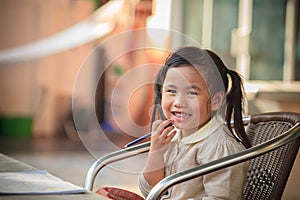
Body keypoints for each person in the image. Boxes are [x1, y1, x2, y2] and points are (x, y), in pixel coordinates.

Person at [138, 46, 251, 199]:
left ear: (216, 100)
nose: (178, 102)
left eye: (191, 93)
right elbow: (150, 192)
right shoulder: (174, 137)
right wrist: (156, 151)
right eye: (171, 91)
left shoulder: (220, 148)